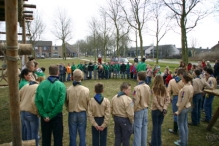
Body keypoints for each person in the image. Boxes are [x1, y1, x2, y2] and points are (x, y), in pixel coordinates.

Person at [35, 65, 66, 146]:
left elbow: (37, 101)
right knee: (58, 138)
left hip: (44, 115)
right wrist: (51, 115)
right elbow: (60, 103)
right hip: (56, 115)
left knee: (45, 138)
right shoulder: (61, 85)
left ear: (49, 72)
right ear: (58, 72)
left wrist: (45, 115)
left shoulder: (41, 85)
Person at [66, 69, 90, 146]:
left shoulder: (69, 89)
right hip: (82, 112)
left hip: (72, 112)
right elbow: (88, 102)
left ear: (73, 77)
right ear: (81, 77)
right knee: (82, 133)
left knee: (72, 133)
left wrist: (68, 108)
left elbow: (66, 101)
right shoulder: (86, 90)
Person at [149, 75, 170, 146]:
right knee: (158, 126)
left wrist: (162, 108)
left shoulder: (154, 88)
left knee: (155, 126)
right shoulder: (165, 88)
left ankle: (154, 143)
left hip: (156, 109)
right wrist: (164, 108)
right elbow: (168, 99)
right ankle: (158, 142)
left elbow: (155, 101)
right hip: (162, 110)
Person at [20, 80, 42, 146]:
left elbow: (17, 95)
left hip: (23, 111)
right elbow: (34, 101)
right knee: (34, 133)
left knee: (28, 131)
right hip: (31, 112)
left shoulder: (25, 86)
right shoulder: (38, 87)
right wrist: (37, 112)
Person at [174, 73, 194, 146]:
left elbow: (183, 100)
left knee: (181, 125)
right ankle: (185, 139)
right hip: (188, 106)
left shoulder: (185, 88)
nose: (181, 79)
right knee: (185, 124)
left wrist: (178, 111)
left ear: (185, 79)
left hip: (183, 107)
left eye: (182, 78)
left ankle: (183, 142)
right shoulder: (190, 86)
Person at [132, 71, 151, 146]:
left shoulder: (136, 88)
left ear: (138, 77)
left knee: (137, 129)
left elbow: (135, 101)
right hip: (145, 109)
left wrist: (132, 110)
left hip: (138, 110)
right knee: (144, 128)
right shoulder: (148, 86)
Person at [167, 69, 185, 134]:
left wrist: (169, 98)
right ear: (181, 74)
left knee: (175, 112)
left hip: (175, 97)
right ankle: (182, 126)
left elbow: (168, 91)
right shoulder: (184, 82)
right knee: (182, 112)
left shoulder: (172, 81)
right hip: (183, 97)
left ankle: (175, 129)